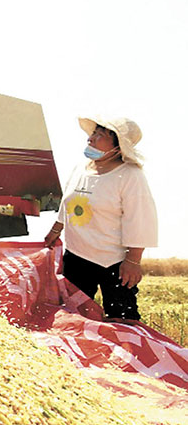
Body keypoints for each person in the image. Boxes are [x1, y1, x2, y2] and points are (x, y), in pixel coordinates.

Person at [44, 116, 158, 321]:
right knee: (74, 318)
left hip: (114, 262)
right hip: (76, 256)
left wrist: (133, 260)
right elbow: (68, 202)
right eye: (94, 132)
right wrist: (55, 230)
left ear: (118, 146)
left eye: (101, 135)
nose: (91, 138)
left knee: (122, 320)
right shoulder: (81, 169)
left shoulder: (131, 176)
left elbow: (140, 218)